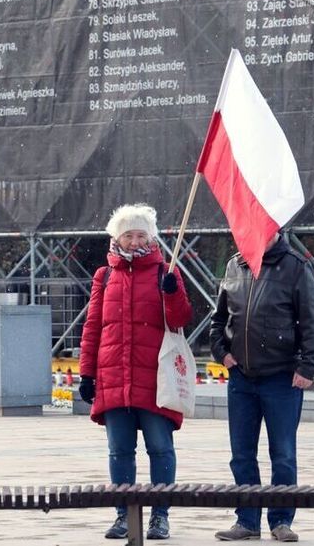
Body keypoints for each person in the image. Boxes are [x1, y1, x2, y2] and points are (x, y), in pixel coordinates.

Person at [78, 204, 192, 541]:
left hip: (154, 379)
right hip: (114, 378)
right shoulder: (105, 275)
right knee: (119, 452)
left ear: (151, 237)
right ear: (117, 237)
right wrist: (87, 374)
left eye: (141, 234)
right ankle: (124, 514)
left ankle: (159, 515)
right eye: (128, 234)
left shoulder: (164, 271)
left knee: (160, 448)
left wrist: (172, 293)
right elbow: (93, 326)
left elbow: (181, 319)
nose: (134, 240)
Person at [210, 231, 314, 542]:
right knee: (241, 454)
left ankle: (281, 520)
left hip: (282, 377)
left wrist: (309, 365)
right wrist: (222, 353)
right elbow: (218, 319)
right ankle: (247, 520)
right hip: (241, 379)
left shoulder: (296, 267)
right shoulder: (235, 265)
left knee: (283, 454)